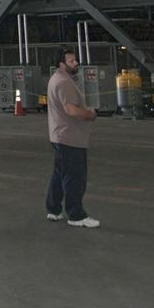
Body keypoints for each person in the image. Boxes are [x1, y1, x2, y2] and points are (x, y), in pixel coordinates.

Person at [45, 48, 100, 228]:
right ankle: (76, 215)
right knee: (75, 177)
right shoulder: (63, 83)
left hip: (59, 135)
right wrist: (90, 114)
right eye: (71, 61)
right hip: (70, 137)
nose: (76, 63)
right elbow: (72, 111)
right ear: (61, 64)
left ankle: (53, 209)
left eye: (75, 60)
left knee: (59, 174)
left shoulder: (56, 79)